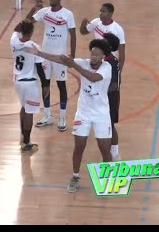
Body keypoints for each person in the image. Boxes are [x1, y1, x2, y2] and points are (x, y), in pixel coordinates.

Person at [24, 39, 113, 193]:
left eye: (97, 55)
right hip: (83, 113)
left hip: (101, 114)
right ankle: (75, 176)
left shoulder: (107, 68)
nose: (93, 57)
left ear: (103, 56)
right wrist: (39, 53)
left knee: (104, 148)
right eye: (92, 54)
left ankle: (108, 177)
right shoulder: (83, 63)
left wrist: (74, 65)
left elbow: (92, 78)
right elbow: (60, 58)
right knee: (79, 146)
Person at [17, 0, 76, 131]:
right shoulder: (44, 12)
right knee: (45, 84)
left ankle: (62, 117)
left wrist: (72, 56)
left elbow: (73, 35)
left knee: (62, 86)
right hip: (44, 56)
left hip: (60, 57)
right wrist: (33, 8)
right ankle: (48, 115)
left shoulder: (68, 14)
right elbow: (27, 22)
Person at [10, 19, 47, 152]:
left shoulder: (13, 41)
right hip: (30, 83)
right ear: (31, 32)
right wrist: (45, 86)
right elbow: (40, 69)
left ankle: (23, 134)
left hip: (18, 82)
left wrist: (29, 15)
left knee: (24, 107)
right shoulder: (34, 47)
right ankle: (27, 142)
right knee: (30, 112)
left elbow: (15, 29)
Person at [79, 2, 125, 73]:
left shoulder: (118, 29)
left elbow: (122, 55)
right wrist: (83, 24)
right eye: (100, 11)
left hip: (109, 61)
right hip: (96, 61)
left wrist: (119, 73)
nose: (100, 13)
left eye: (104, 11)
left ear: (110, 13)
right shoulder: (96, 22)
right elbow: (83, 32)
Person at [102, 32, 121, 161]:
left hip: (111, 97)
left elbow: (114, 85)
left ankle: (114, 153)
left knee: (110, 124)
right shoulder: (108, 59)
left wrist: (100, 92)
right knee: (107, 124)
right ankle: (112, 151)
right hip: (107, 97)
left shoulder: (111, 63)